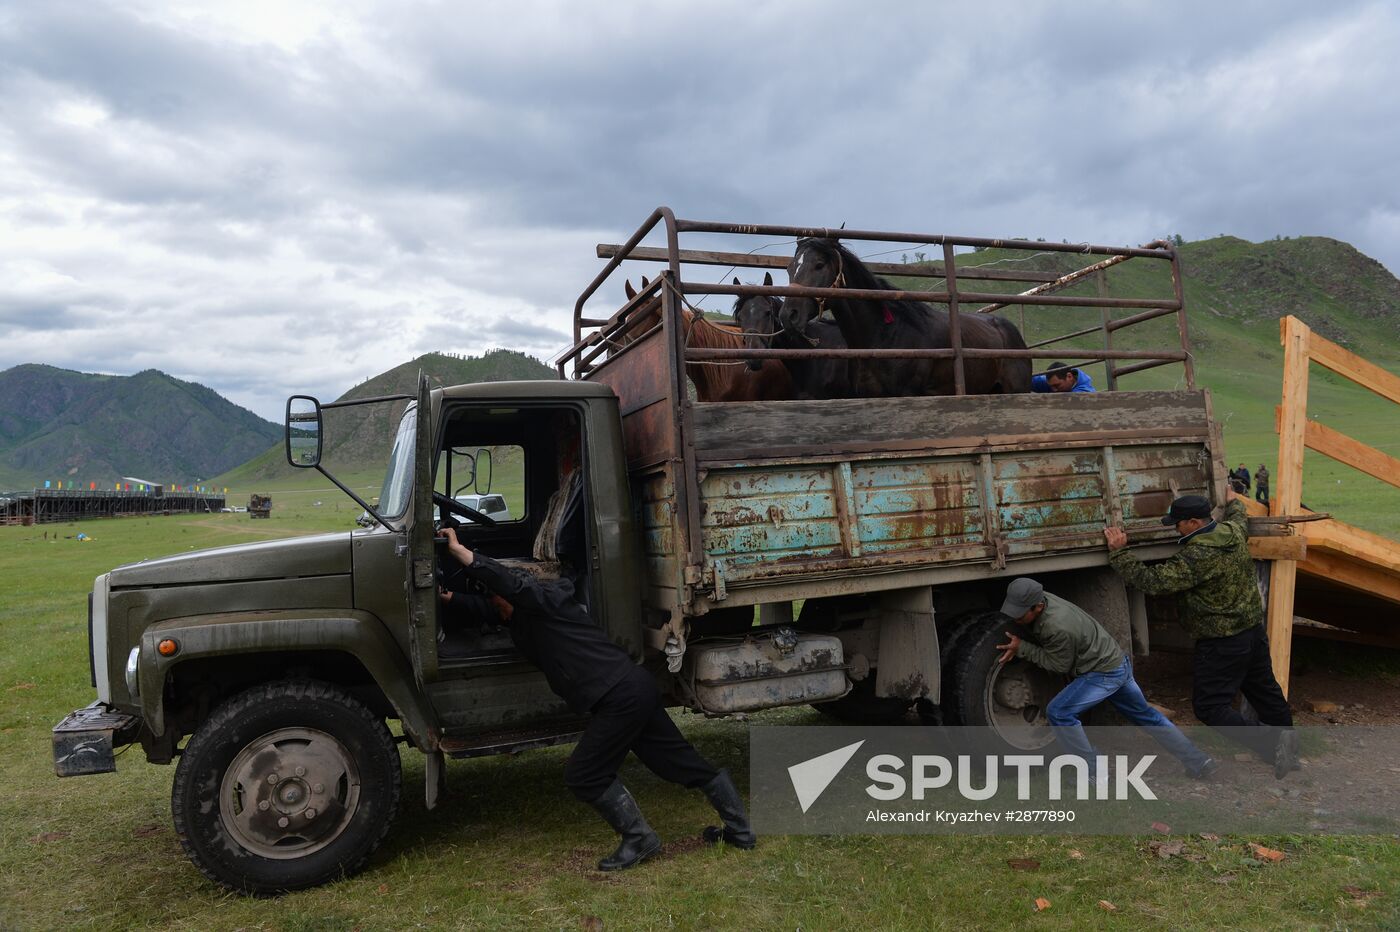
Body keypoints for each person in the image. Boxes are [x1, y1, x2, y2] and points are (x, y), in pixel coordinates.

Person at [436, 527, 755, 870]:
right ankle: (740, 830)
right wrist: (448, 598)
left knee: (584, 774)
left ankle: (640, 839)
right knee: (676, 762)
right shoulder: (519, 615)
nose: (493, 604)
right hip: (632, 688)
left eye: (494, 598)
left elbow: (510, 584)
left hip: (620, 696)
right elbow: (489, 608)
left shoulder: (544, 600)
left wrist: (460, 552)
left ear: (507, 595)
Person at [1104, 493, 1298, 778]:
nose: (1175, 528)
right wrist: (1233, 500)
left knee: (1209, 707)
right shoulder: (1232, 532)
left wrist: (1120, 553)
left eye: (1178, 523)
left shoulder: (1197, 556)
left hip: (1222, 641)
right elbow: (1239, 517)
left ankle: (1271, 743)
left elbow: (1153, 582)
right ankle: (1289, 751)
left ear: (1194, 522)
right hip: (1252, 632)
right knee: (1265, 692)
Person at [994, 578, 1216, 781]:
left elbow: (1058, 666)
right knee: (1148, 717)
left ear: (1039, 607)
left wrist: (1022, 648)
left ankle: (1094, 773)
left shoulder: (1057, 626)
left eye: (1020, 615)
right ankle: (1199, 761)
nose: (1016, 619)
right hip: (1117, 662)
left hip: (1103, 674)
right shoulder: (1041, 597)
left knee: (1059, 712)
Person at [1031, 361, 1096, 394]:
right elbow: (1030, 380)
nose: (1054, 390)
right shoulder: (1054, 382)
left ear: (1069, 376)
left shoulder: (1085, 393)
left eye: (1057, 385)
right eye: (1051, 386)